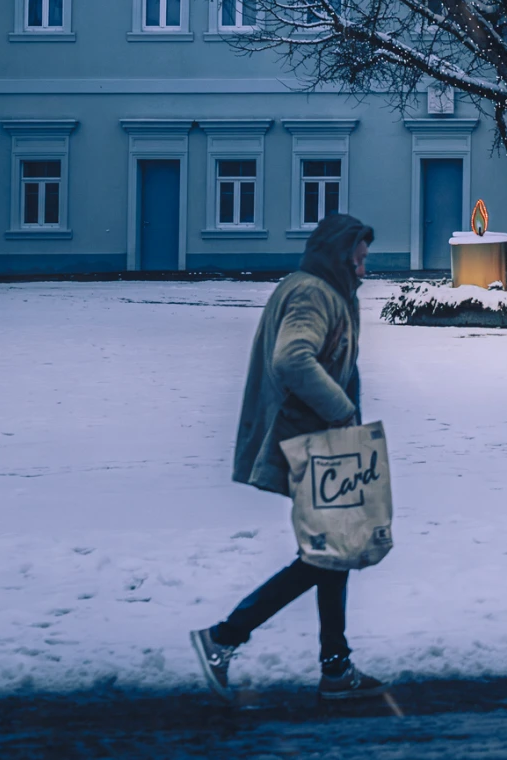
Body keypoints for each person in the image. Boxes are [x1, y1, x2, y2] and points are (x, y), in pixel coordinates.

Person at [190, 212, 382, 701]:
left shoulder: (315, 288)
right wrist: (340, 410)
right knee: (328, 554)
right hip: (312, 440)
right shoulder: (313, 293)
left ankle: (335, 668)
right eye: (358, 260)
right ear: (340, 256)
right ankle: (225, 636)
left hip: (319, 439)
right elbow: (292, 358)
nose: (363, 270)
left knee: (332, 551)